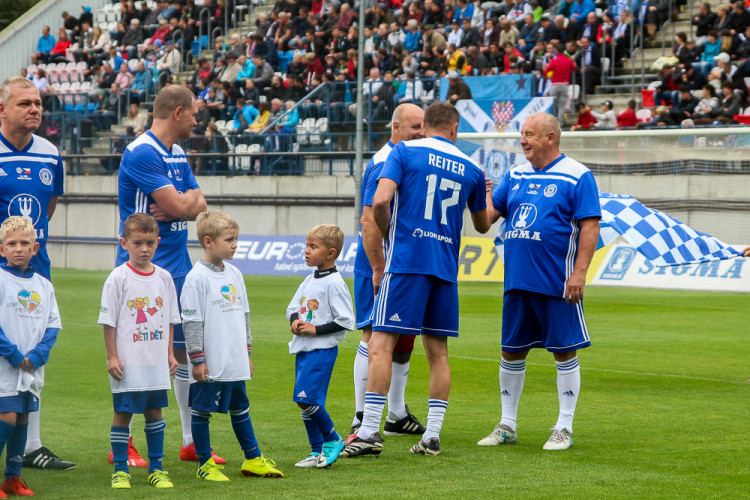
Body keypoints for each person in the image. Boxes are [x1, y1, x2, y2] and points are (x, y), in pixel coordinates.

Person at [342, 102, 492, 457]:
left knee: (380, 344)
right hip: (444, 268)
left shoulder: (405, 151)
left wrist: (393, 230)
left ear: (427, 125)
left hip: (406, 262)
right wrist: (485, 193)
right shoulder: (471, 167)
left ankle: (368, 432)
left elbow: (380, 201)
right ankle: (432, 436)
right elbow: (483, 225)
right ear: (454, 128)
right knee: (438, 354)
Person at [478, 113, 600, 451]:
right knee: (511, 352)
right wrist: (482, 196)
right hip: (517, 281)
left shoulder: (577, 175)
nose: (522, 140)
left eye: (529, 134)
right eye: (521, 134)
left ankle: (564, 426)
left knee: (564, 351)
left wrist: (579, 273)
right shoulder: (515, 175)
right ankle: (507, 425)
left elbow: (590, 226)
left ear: (550, 137)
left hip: (557, 283)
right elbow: (487, 221)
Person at [116, 86, 211, 466]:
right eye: (194, 114)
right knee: (139, 353)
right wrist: (183, 203)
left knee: (185, 353)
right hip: (142, 271)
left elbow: (198, 206)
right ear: (177, 113)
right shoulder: (142, 152)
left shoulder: (176, 152)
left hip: (179, 268)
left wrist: (183, 204)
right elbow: (180, 203)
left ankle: (189, 441)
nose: (196, 120)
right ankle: (122, 443)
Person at [0, 76, 73, 471]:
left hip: (37, 273)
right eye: (25, 102)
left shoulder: (49, 152)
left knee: (35, 354)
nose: (35, 109)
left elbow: (49, 205)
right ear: (2, 109)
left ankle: (31, 446)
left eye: (39, 103)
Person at [181, 211, 283, 481]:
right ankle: (205, 463)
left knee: (241, 408)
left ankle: (252, 459)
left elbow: (245, 316)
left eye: (236, 238)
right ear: (208, 241)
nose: (235, 244)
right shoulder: (196, 278)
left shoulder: (235, 274)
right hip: (211, 361)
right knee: (202, 410)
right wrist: (197, 360)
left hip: (235, 358)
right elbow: (191, 323)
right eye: (229, 240)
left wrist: (246, 353)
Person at [348, 104, 427, 441]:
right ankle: (360, 415)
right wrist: (378, 266)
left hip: (403, 264)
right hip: (378, 264)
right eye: (415, 127)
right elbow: (368, 219)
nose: (422, 132)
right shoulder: (384, 161)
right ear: (396, 127)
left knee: (404, 337)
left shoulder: (406, 158)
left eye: (424, 126)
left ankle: (395, 414)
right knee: (372, 334)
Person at [98, 213, 179, 490]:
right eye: (137, 243)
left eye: (149, 243)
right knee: (123, 413)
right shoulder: (117, 278)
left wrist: (170, 355)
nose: (144, 249)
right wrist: (112, 356)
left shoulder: (165, 278)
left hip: (155, 361)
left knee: (155, 412)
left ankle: (157, 468)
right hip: (128, 362)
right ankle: (121, 470)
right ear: (124, 243)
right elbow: (108, 322)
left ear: (158, 242)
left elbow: (169, 320)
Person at [0, 217, 62, 496]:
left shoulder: (44, 285)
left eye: (25, 243)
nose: (18, 249)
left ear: (35, 248)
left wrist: (38, 356)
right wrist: (13, 354)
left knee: (22, 419)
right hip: (6, 367)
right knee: (8, 417)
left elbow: (52, 325)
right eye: (11, 244)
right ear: (1, 250)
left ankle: (13, 478)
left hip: (32, 369)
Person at [286, 224, 355, 469]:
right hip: (303, 349)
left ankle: (333, 438)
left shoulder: (335, 283)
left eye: (313, 247)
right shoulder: (308, 280)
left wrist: (315, 329)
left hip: (322, 350)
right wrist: (295, 321)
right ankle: (316, 452)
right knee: (304, 401)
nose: (306, 251)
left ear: (331, 253)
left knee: (306, 399)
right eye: (307, 245)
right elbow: (293, 307)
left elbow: (346, 320)